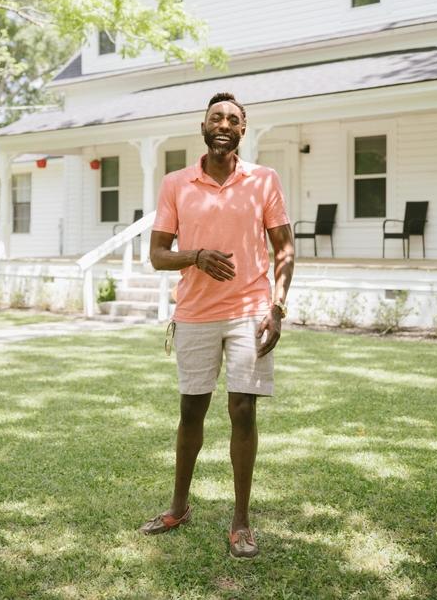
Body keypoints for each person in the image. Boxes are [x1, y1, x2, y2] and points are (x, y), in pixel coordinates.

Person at [140, 92, 295, 558]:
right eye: (215, 117)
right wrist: (196, 257)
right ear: (203, 128)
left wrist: (278, 306)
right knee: (192, 411)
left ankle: (242, 521)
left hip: (250, 309)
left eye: (232, 118)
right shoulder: (176, 184)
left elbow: (284, 249)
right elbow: (157, 255)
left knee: (243, 410)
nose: (223, 124)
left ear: (242, 130)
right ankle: (178, 506)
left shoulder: (264, 181)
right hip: (195, 313)